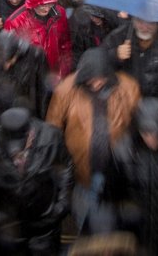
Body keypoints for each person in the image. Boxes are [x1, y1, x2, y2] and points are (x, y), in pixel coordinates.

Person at [45, 48, 141, 234]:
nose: (96, 84)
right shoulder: (66, 89)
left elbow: (137, 127)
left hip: (117, 174)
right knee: (85, 226)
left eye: (101, 78)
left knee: (115, 226)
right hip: (82, 174)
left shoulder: (129, 87)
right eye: (91, 79)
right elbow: (52, 130)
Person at [0, 108, 73, 255]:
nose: (15, 153)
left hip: (45, 224)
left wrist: (61, 206)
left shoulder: (51, 137)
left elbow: (65, 169)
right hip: (6, 226)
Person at [109, 99, 158, 256]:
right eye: (145, 133)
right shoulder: (123, 151)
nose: (150, 139)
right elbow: (113, 194)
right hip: (134, 232)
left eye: (155, 134)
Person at [102, 16, 158, 131]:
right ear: (133, 19)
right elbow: (98, 69)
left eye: (150, 22)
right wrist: (115, 55)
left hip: (157, 118)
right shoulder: (118, 37)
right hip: (125, 116)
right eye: (140, 21)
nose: (144, 27)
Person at [4, 0, 73, 79]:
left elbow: (65, 44)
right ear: (33, 2)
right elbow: (8, 58)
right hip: (29, 78)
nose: (46, 9)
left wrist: (63, 72)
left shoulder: (59, 13)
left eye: (50, 4)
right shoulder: (14, 22)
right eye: (42, 5)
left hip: (54, 75)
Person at [0, 31, 50, 124]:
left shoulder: (35, 55)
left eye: (9, 60)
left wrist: (42, 120)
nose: (7, 66)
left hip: (26, 114)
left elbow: (44, 91)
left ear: (18, 52)